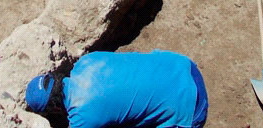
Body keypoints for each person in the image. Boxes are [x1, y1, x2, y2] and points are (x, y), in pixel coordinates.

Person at [25, 50, 209, 128]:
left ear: (56, 109)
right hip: (181, 65)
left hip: (191, 106)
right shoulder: (86, 62)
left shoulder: (82, 118)